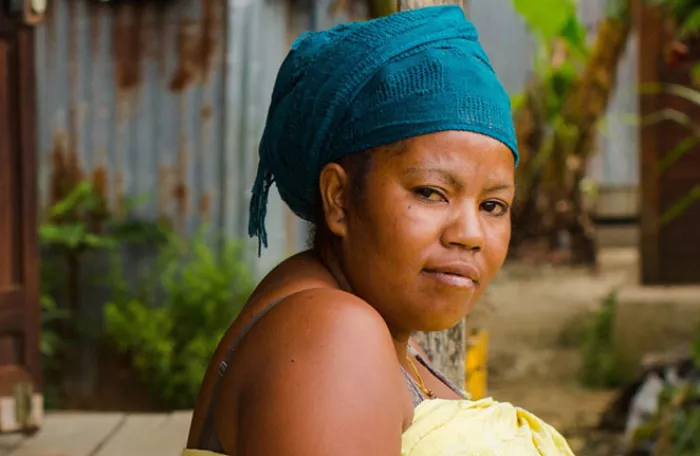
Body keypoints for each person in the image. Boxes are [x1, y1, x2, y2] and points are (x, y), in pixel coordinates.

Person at [184, 5, 574, 456]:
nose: (470, 233)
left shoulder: (381, 336)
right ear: (339, 198)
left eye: (493, 205)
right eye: (430, 192)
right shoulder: (334, 337)